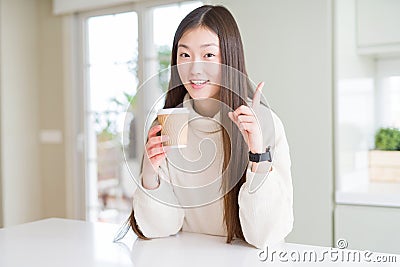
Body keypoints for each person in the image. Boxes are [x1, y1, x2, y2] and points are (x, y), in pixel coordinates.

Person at [128, 5, 293, 250]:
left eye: (208, 55)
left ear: (229, 57)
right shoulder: (170, 123)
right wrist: (150, 173)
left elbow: (264, 236)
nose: (194, 68)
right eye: (184, 55)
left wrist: (258, 154)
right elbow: (160, 229)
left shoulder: (261, 124)